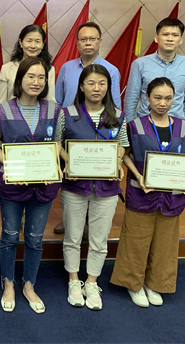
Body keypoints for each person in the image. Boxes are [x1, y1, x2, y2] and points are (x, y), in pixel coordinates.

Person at [111, 77, 185, 307]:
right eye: (157, 97)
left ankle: (155, 283)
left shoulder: (183, 128)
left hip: (172, 196)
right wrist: (137, 175)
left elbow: (182, 161)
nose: (162, 103)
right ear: (147, 98)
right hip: (142, 193)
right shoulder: (135, 126)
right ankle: (133, 284)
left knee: (165, 242)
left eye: (168, 98)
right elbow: (125, 155)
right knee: (136, 240)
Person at [0, 57, 61, 313]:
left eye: (41, 77)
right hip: (13, 185)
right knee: (10, 235)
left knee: (34, 238)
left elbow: (57, 144)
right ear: (20, 79)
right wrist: (10, 164)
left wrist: (59, 165)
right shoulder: (2, 111)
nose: (36, 82)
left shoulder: (55, 110)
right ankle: (8, 283)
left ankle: (29, 285)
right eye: (31, 76)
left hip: (43, 186)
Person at [56, 64, 128, 311]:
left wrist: (117, 161)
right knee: (73, 236)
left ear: (108, 87)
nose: (96, 88)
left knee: (100, 239)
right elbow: (56, 142)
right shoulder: (67, 113)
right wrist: (69, 161)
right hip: (75, 186)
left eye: (102, 83)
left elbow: (122, 144)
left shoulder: (118, 115)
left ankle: (92, 282)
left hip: (106, 188)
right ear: (81, 86)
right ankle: (74, 280)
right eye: (91, 83)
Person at [53, 21, 122, 235]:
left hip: (100, 131)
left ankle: (91, 223)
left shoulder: (111, 70)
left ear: (100, 41)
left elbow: (115, 105)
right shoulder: (66, 68)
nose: (88, 43)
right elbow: (58, 101)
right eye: (83, 39)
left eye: (92, 39)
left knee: (96, 179)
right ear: (77, 43)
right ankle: (71, 220)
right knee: (72, 179)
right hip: (71, 131)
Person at [124, 17, 185, 126]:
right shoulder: (140, 64)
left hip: (177, 125)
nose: (170, 39)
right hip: (145, 124)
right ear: (156, 38)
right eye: (165, 34)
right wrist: (130, 127)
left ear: (181, 40)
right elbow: (131, 98)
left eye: (175, 35)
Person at [0, 24, 55, 105]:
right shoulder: (7, 68)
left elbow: (50, 99)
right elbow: (1, 101)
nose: (33, 46)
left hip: (40, 112)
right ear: (21, 42)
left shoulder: (49, 69)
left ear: (43, 44)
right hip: (11, 112)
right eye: (29, 41)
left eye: (37, 41)